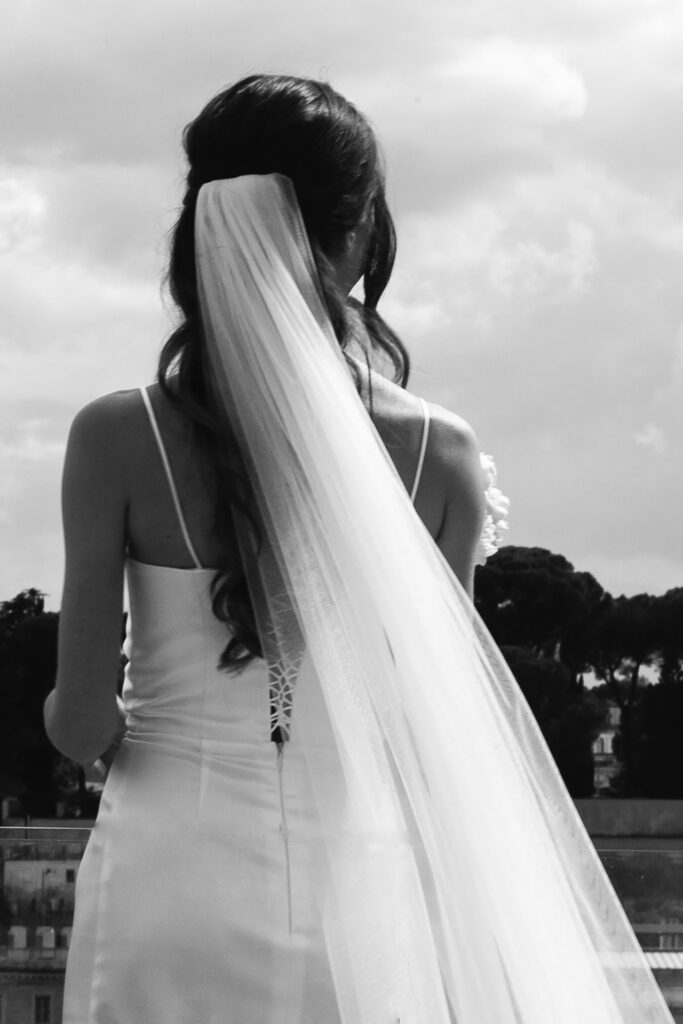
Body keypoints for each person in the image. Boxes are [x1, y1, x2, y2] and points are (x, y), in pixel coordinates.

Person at [44, 75, 673, 1024]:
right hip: (368, 888)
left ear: (201, 228)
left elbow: (83, 724)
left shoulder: (114, 438)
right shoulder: (440, 453)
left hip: (172, 879)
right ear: (360, 233)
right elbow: (434, 725)